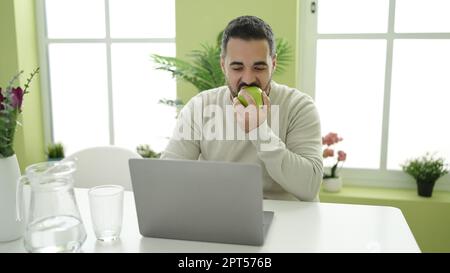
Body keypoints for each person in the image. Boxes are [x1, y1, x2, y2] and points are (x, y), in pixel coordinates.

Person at [161, 15, 323, 201]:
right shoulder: (200, 107)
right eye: (237, 67)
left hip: (286, 220)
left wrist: (258, 131)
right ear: (223, 65)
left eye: (259, 67)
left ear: (274, 63)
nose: (248, 78)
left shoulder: (299, 107)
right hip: (220, 216)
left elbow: (309, 187)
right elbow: (168, 177)